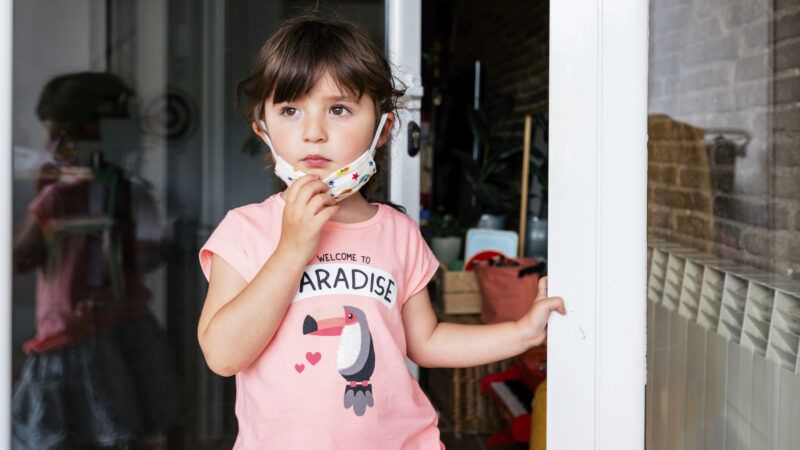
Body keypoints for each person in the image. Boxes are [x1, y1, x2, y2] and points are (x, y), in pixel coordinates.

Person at [197, 12, 566, 449]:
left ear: (383, 128)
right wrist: (292, 249)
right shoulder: (244, 231)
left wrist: (522, 333)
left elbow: (425, 341)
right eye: (291, 110)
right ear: (264, 130)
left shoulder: (398, 232)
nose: (313, 133)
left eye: (338, 109)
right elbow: (222, 355)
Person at [12, 72, 180, 450]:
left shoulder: (56, 198)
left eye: (54, 134)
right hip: (128, 328)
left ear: (74, 137)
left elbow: (18, 258)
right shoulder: (130, 192)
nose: (46, 144)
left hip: (71, 334)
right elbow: (146, 256)